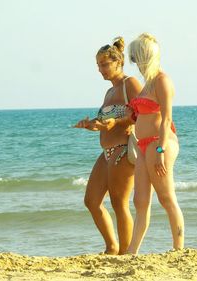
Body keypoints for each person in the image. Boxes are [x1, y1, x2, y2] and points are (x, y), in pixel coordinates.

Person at [74, 37, 142, 255]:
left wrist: (121, 123)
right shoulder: (109, 92)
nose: (100, 69)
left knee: (119, 203)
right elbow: (106, 124)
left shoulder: (129, 84)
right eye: (98, 65)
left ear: (118, 62)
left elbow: (143, 113)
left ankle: (126, 253)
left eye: (104, 64)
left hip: (123, 150)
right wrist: (91, 125)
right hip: (106, 153)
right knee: (92, 200)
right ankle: (112, 246)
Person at [126, 33, 184, 254]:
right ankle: (132, 251)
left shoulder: (162, 81)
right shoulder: (146, 84)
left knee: (166, 197)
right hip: (143, 146)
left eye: (135, 57)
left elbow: (167, 118)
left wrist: (160, 149)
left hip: (161, 143)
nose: (134, 62)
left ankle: (178, 249)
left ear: (144, 56)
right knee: (140, 201)